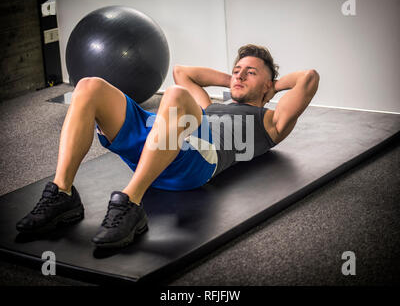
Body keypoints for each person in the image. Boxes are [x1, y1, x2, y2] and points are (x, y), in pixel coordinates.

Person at [16, 44, 320, 248]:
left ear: (268, 85)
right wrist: (239, 80)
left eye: (249, 72)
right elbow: (183, 71)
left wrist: (267, 88)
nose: (239, 74)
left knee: (174, 96)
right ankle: (62, 192)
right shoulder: (209, 104)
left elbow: (308, 77)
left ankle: (131, 202)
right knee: (88, 86)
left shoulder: (271, 121)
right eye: (237, 69)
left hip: (198, 160)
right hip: (159, 140)